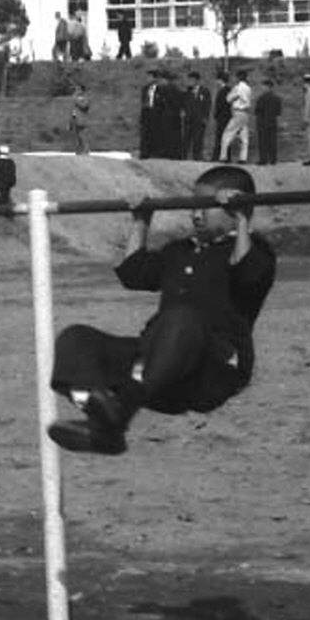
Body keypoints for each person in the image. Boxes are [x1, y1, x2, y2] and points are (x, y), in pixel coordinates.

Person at [46, 164, 276, 457]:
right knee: (77, 339)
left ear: (236, 208)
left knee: (183, 318)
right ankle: (102, 422)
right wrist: (141, 222)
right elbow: (133, 274)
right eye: (194, 206)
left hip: (213, 370)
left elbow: (247, 274)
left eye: (207, 207)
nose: (196, 214)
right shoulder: (180, 250)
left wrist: (243, 218)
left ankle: (121, 410)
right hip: (157, 369)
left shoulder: (256, 252)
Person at [218, 70, 254, 162]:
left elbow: (228, 99)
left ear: (238, 77)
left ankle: (223, 157)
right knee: (244, 137)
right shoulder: (248, 88)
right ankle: (243, 158)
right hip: (246, 113)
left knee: (227, 134)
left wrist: (233, 97)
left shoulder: (237, 88)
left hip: (237, 112)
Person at [253, 75, 283, 166]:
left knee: (262, 141)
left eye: (263, 86)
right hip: (273, 122)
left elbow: (257, 111)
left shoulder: (261, 98)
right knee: (272, 141)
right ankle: (273, 159)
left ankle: (263, 159)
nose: (261, 88)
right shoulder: (277, 98)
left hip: (262, 122)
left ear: (266, 87)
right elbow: (279, 112)